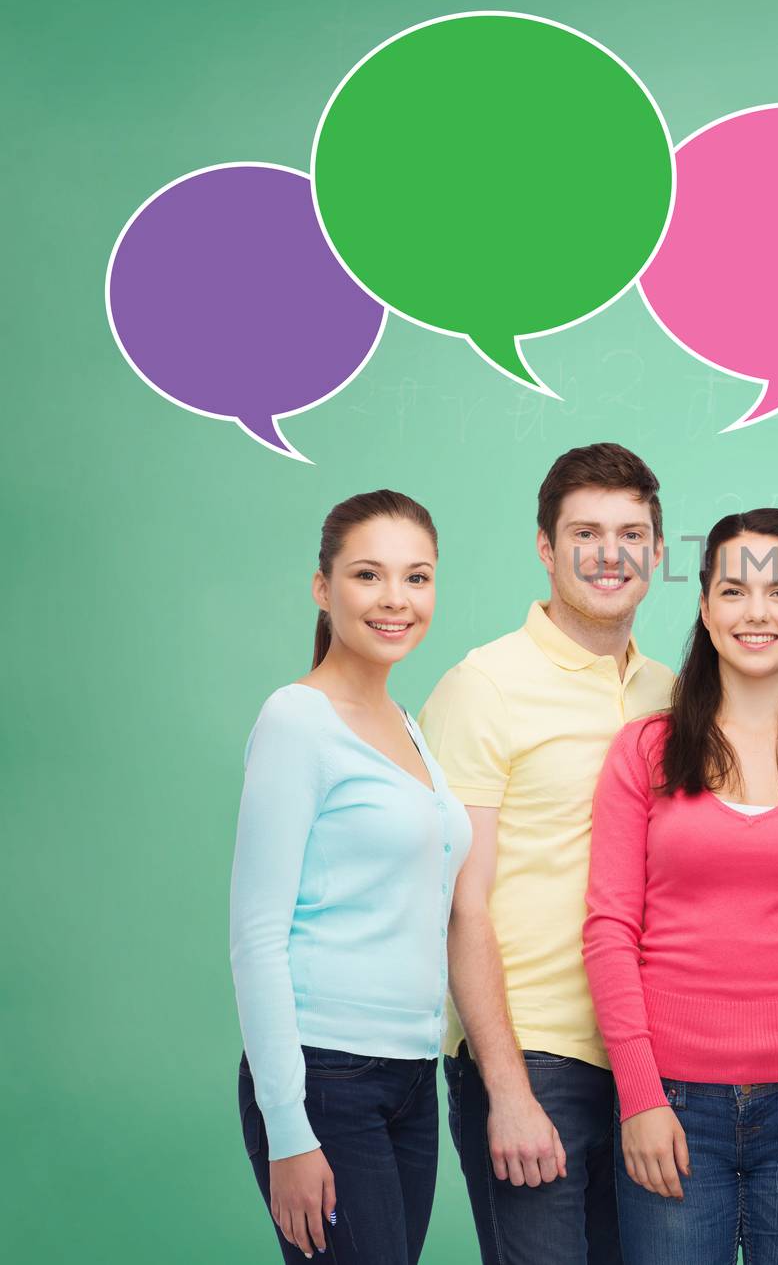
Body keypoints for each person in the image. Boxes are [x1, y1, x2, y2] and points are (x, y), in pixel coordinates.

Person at [583, 509, 778, 1265]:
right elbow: (608, 931)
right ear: (704, 607)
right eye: (733, 590)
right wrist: (640, 1094)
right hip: (672, 1104)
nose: (756, 612)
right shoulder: (646, 752)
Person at [420, 443, 674, 1265]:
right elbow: (459, 902)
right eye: (585, 532)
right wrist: (507, 1089)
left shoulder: (673, 694)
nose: (610, 554)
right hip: (534, 1056)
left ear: (659, 551)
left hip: (650, 1062)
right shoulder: (482, 686)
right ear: (544, 546)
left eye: (631, 532)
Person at [231, 490, 471, 1265]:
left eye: (418, 577)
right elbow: (257, 937)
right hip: (324, 1075)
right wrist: (288, 1126)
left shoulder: (408, 727)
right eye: (369, 575)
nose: (396, 600)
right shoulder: (296, 720)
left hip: (408, 1074)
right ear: (323, 586)